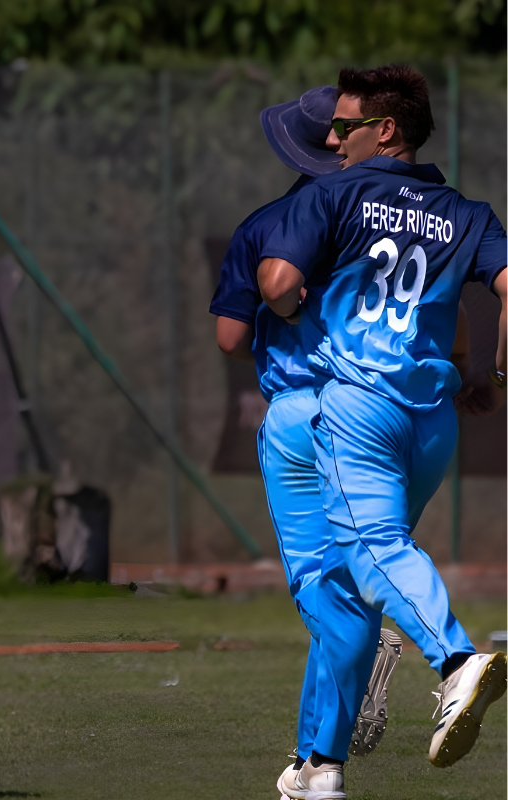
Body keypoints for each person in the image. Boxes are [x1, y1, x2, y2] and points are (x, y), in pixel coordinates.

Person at [259, 63, 507, 798]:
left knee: (371, 555)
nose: (333, 141)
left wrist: (293, 308)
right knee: (348, 582)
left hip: (359, 409)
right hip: (430, 425)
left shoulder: (334, 193)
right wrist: (495, 372)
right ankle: (319, 764)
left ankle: (456, 661)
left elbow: (276, 283)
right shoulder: (467, 212)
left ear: (385, 130)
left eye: (344, 127)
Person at [210, 86, 405, 797]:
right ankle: (312, 763)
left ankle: (366, 644)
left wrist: (280, 327)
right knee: (353, 573)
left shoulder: (267, 224)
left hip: (302, 412)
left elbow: (230, 337)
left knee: (321, 587)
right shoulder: (398, 223)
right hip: (383, 410)